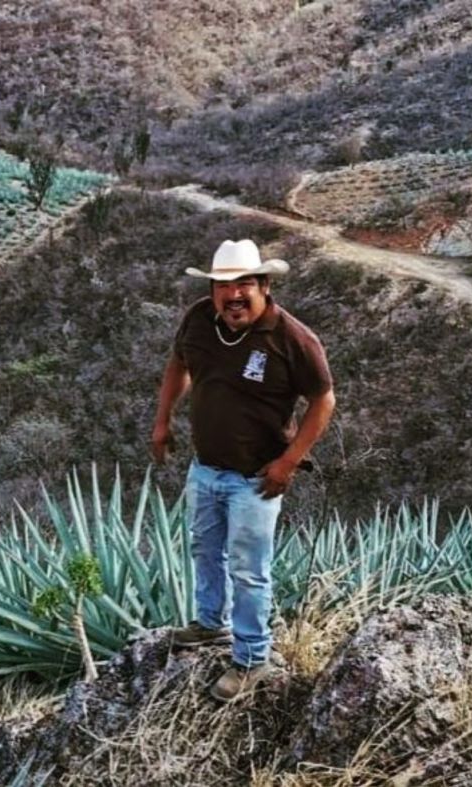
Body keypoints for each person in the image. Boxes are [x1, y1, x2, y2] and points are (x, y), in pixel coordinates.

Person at [150, 238, 336, 702]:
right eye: (223, 286)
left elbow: (323, 399)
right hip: (205, 468)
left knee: (250, 570)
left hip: (256, 478)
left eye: (244, 285)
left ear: (265, 286)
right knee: (204, 549)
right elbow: (179, 363)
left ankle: (252, 659)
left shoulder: (292, 338)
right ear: (212, 290)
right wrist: (162, 420)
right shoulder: (198, 319)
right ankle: (211, 623)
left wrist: (289, 461)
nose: (233, 295)